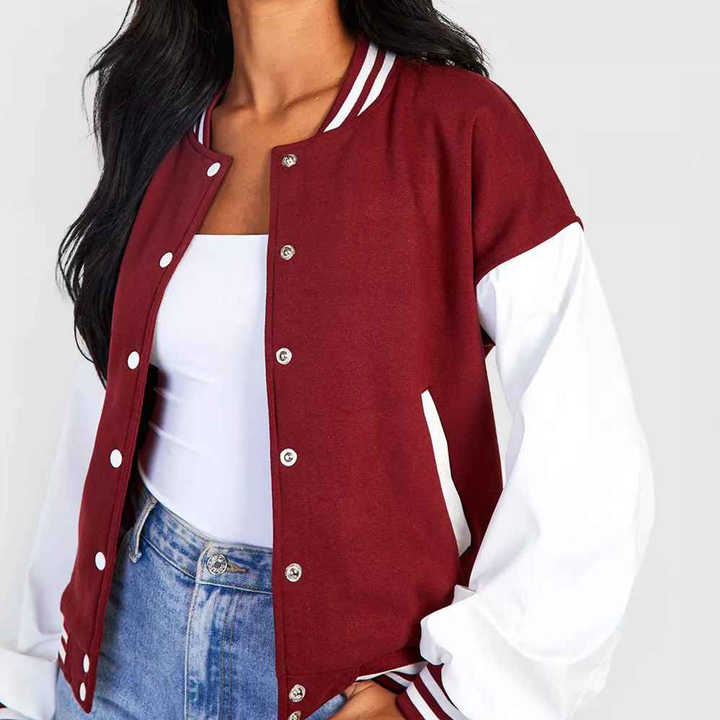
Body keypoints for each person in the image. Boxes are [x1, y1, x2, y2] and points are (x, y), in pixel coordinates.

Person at [0, 1, 654, 719]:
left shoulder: (459, 127)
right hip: (125, 658)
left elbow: (589, 445)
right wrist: (34, 674)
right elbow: (100, 417)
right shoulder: (161, 124)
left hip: (354, 685)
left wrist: (457, 698)